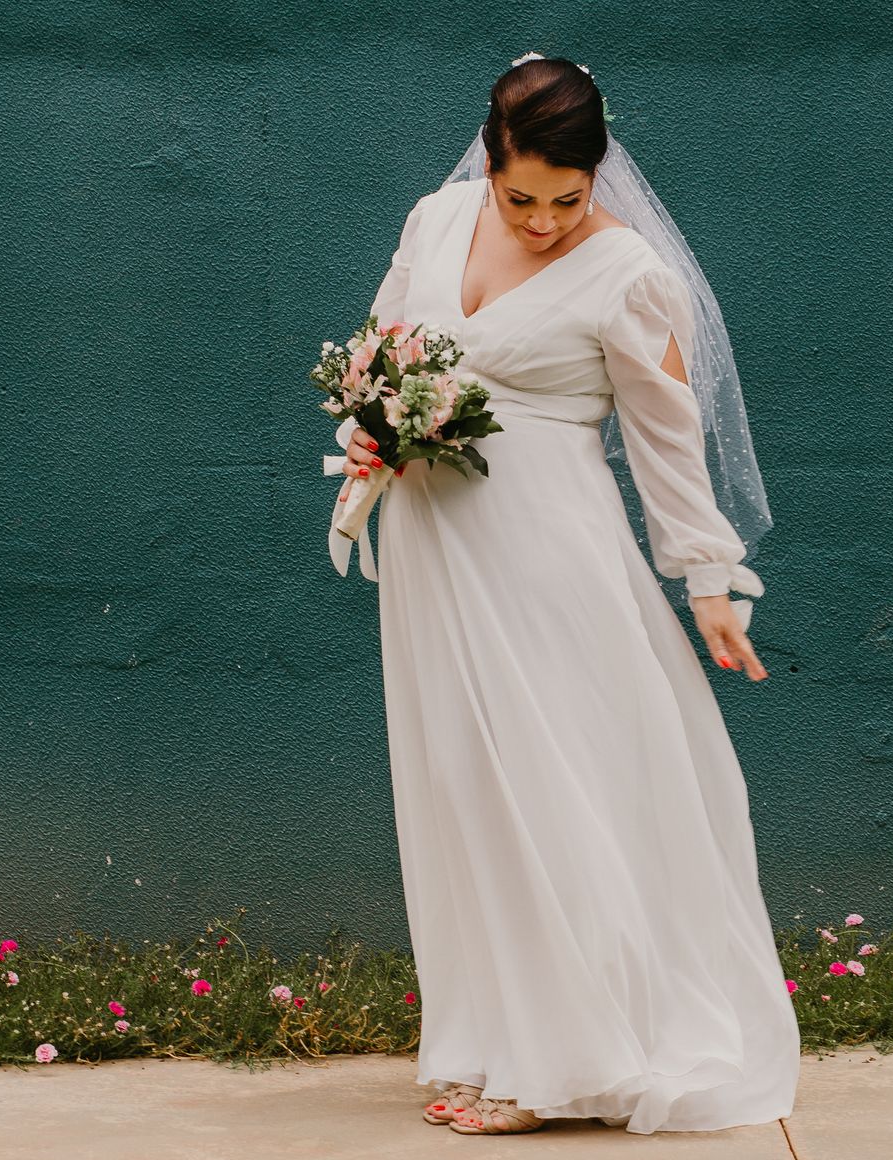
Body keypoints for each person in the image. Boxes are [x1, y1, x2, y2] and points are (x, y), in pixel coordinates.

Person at [327, 55, 798, 1135]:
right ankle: (498, 1037)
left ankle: (572, 1062)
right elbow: (384, 347)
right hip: (437, 550)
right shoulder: (436, 220)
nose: (542, 221)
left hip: (551, 554)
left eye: (566, 199)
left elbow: (665, 434)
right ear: (489, 163)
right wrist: (376, 419)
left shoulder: (628, 270)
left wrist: (710, 582)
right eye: (521, 197)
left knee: (556, 783)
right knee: (466, 786)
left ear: (599, 177)